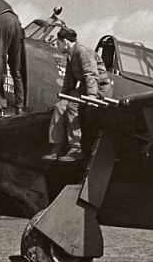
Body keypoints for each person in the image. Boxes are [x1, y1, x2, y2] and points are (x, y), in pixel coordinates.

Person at [43, 27, 112, 162]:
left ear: (65, 42)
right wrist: (62, 98)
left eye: (58, 43)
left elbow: (91, 75)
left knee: (73, 104)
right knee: (60, 106)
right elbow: (69, 82)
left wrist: (92, 97)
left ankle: (76, 148)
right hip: (87, 88)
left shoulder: (82, 52)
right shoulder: (71, 56)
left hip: (100, 88)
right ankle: (56, 148)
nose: (56, 46)